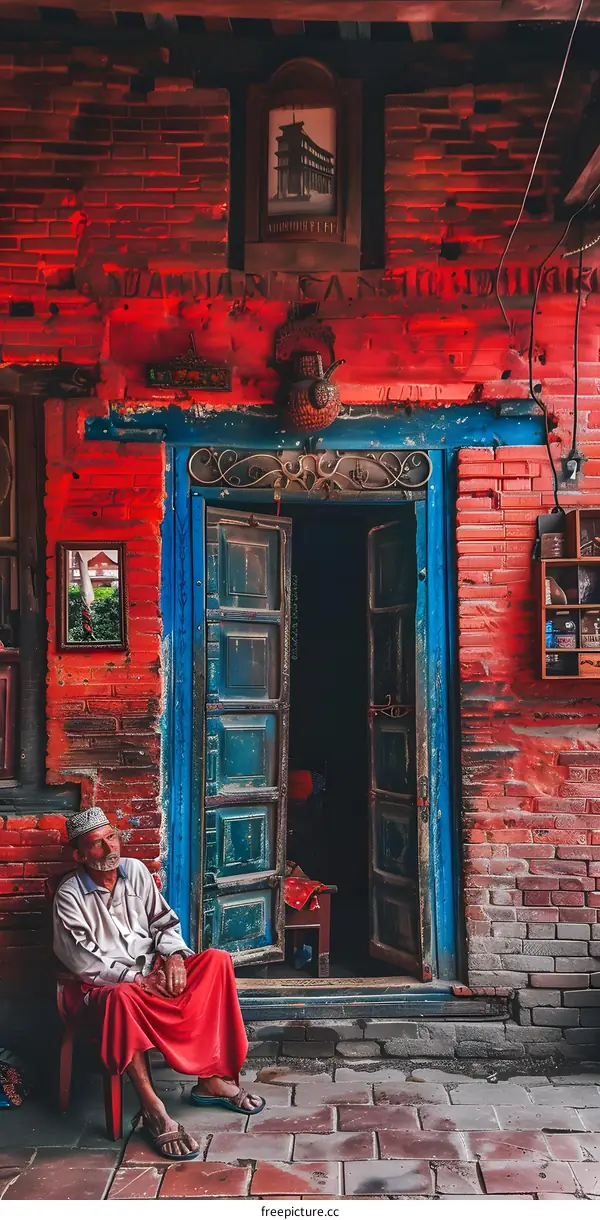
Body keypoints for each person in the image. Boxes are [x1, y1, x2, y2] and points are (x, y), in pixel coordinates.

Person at [53, 807, 265, 1160]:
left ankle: (210, 1079)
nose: (109, 850)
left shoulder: (135, 871)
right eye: (96, 844)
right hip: (109, 987)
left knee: (216, 961)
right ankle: (152, 1108)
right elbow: (82, 961)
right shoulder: (69, 895)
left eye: (112, 838)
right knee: (121, 997)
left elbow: (164, 923)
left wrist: (176, 957)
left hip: (154, 973)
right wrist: (138, 980)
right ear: (79, 854)